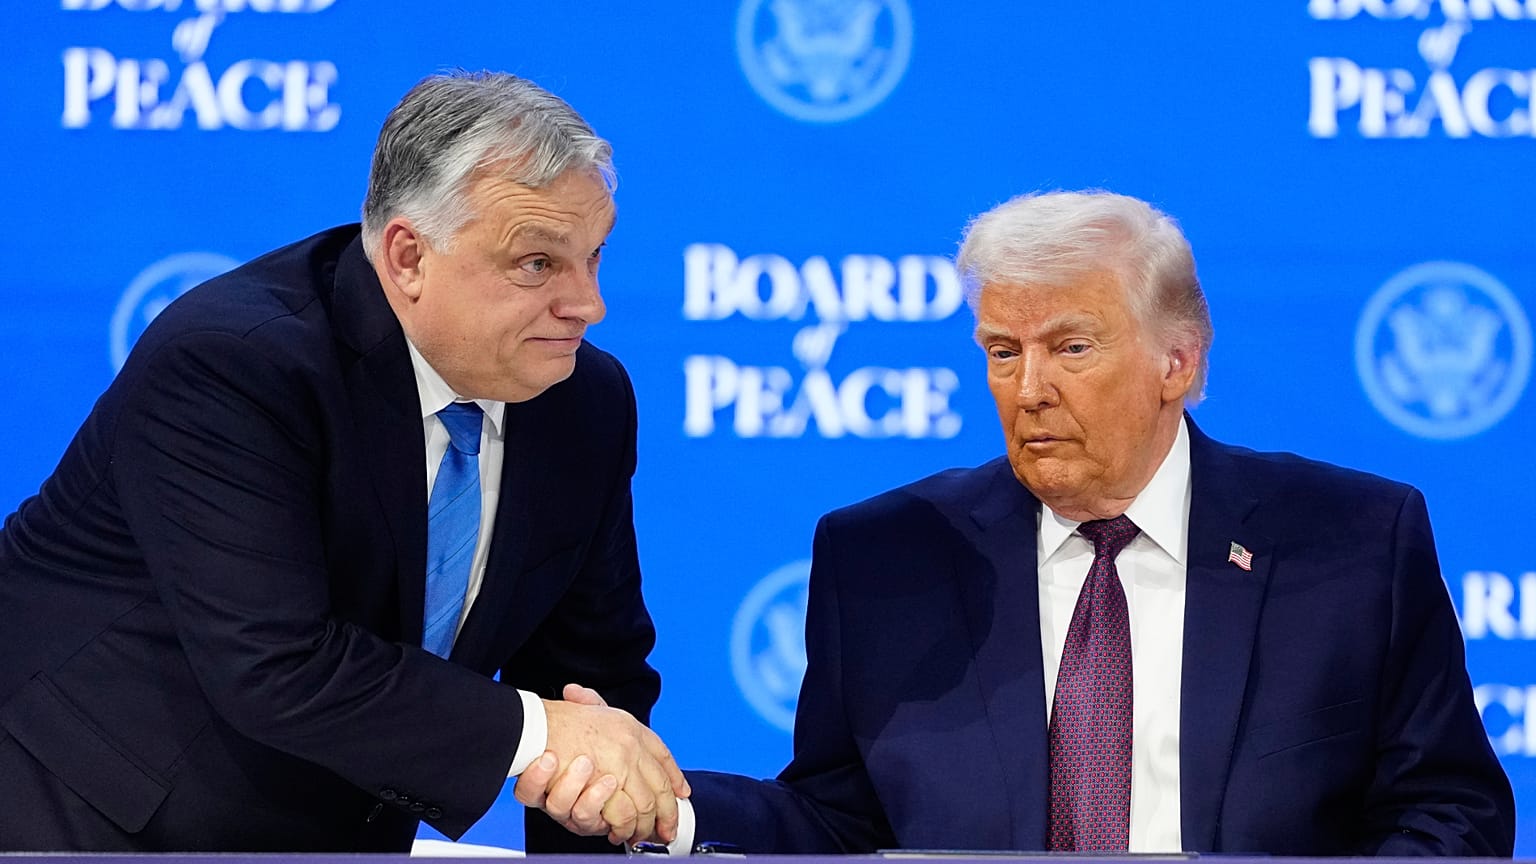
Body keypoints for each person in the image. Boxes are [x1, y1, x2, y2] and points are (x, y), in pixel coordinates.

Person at [528, 190, 1515, 855]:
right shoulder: (884, 557)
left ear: (1180, 361)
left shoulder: (1352, 542)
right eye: (1002, 350)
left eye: (1071, 347)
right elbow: (837, 821)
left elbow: (1449, 808)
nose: (1028, 389)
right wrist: (672, 804)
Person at [0, 70, 687, 852]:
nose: (587, 304)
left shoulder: (582, 399)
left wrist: (600, 797)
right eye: (537, 264)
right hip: (87, 810)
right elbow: (277, 662)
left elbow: (593, 680)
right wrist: (539, 733)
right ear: (407, 257)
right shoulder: (235, 363)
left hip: (334, 829)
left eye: (594, 257)